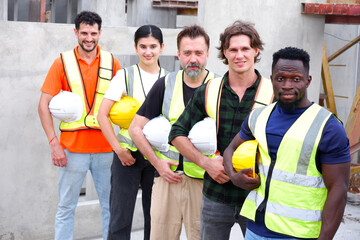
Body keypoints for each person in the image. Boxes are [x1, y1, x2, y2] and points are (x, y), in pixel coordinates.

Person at [223, 47, 351, 240]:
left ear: (308, 81)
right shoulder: (258, 116)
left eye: (296, 79)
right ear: (272, 79)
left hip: (300, 234)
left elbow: (339, 190)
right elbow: (230, 149)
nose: (287, 85)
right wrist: (234, 176)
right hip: (255, 229)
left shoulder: (328, 127)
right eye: (280, 78)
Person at [169, 20, 273, 239]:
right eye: (233, 49)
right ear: (225, 53)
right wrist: (206, 163)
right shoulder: (209, 91)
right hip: (216, 195)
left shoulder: (273, 94)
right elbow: (176, 133)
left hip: (258, 195)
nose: (239, 55)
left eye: (245, 49)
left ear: (256, 50)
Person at [128, 25, 217, 240]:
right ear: (178, 55)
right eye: (187, 53)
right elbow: (134, 129)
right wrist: (157, 164)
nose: (192, 59)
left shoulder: (220, 86)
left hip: (205, 183)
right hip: (167, 180)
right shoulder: (165, 84)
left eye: (198, 53)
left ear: (207, 54)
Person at [38, 11, 121, 240]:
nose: (89, 38)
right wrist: (54, 143)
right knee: (66, 208)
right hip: (71, 151)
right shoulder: (61, 63)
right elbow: (43, 105)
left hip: (105, 150)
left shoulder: (112, 63)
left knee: (111, 207)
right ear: (76, 32)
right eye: (84, 32)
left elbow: (124, 105)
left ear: (100, 33)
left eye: (93, 33)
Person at [97, 25, 167, 240]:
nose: (148, 52)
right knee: (120, 217)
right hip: (128, 156)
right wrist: (118, 150)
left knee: (155, 218)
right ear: (135, 47)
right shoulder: (124, 75)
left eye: (153, 46)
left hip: (157, 157)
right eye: (143, 46)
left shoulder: (170, 78)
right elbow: (102, 115)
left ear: (162, 47)